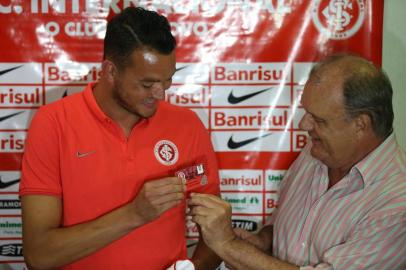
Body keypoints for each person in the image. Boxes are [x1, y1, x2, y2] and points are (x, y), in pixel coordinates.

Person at [20, 7, 221, 270]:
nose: (160, 94)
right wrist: (135, 214)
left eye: (167, 81)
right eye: (147, 84)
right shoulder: (53, 123)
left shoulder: (187, 125)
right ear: (111, 71)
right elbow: (39, 255)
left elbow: (216, 232)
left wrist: (195, 268)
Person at [189, 54, 406, 270]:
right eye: (306, 112)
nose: (304, 125)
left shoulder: (398, 203)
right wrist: (264, 241)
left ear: (361, 124)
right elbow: (291, 227)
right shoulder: (317, 151)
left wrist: (228, 245)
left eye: (319, 120)